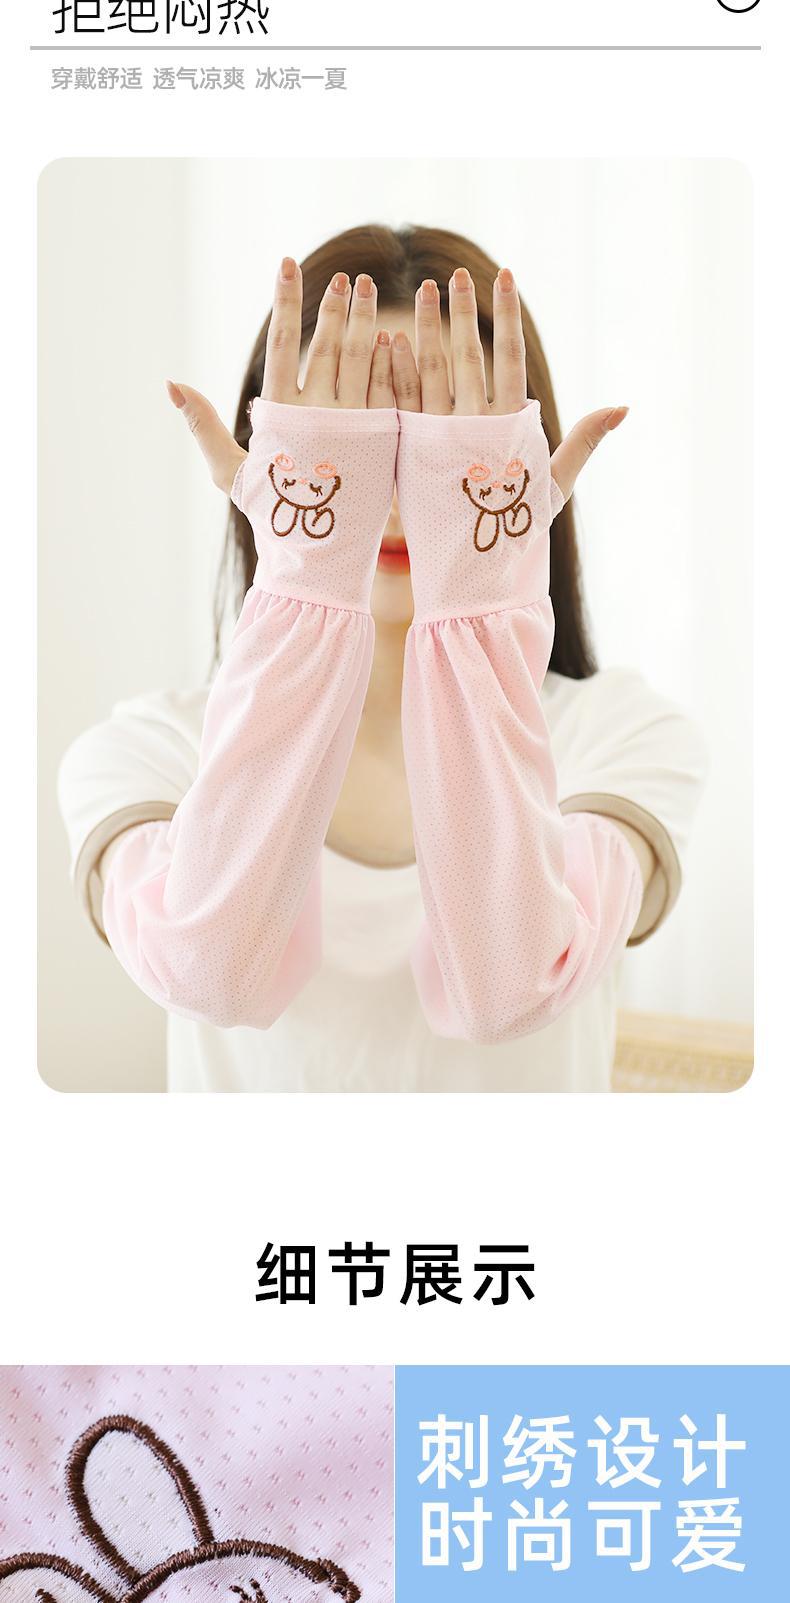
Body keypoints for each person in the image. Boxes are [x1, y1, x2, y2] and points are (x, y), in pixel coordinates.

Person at [58, 224, 706, 1092]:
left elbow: (509, 986)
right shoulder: (145, 752)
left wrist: (476, 604)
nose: (399, 494)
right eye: (348, 437)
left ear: (521, 458)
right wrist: (308, 584)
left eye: (447, 441)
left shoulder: (624, 736)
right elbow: (212, 974)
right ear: (266, 454)